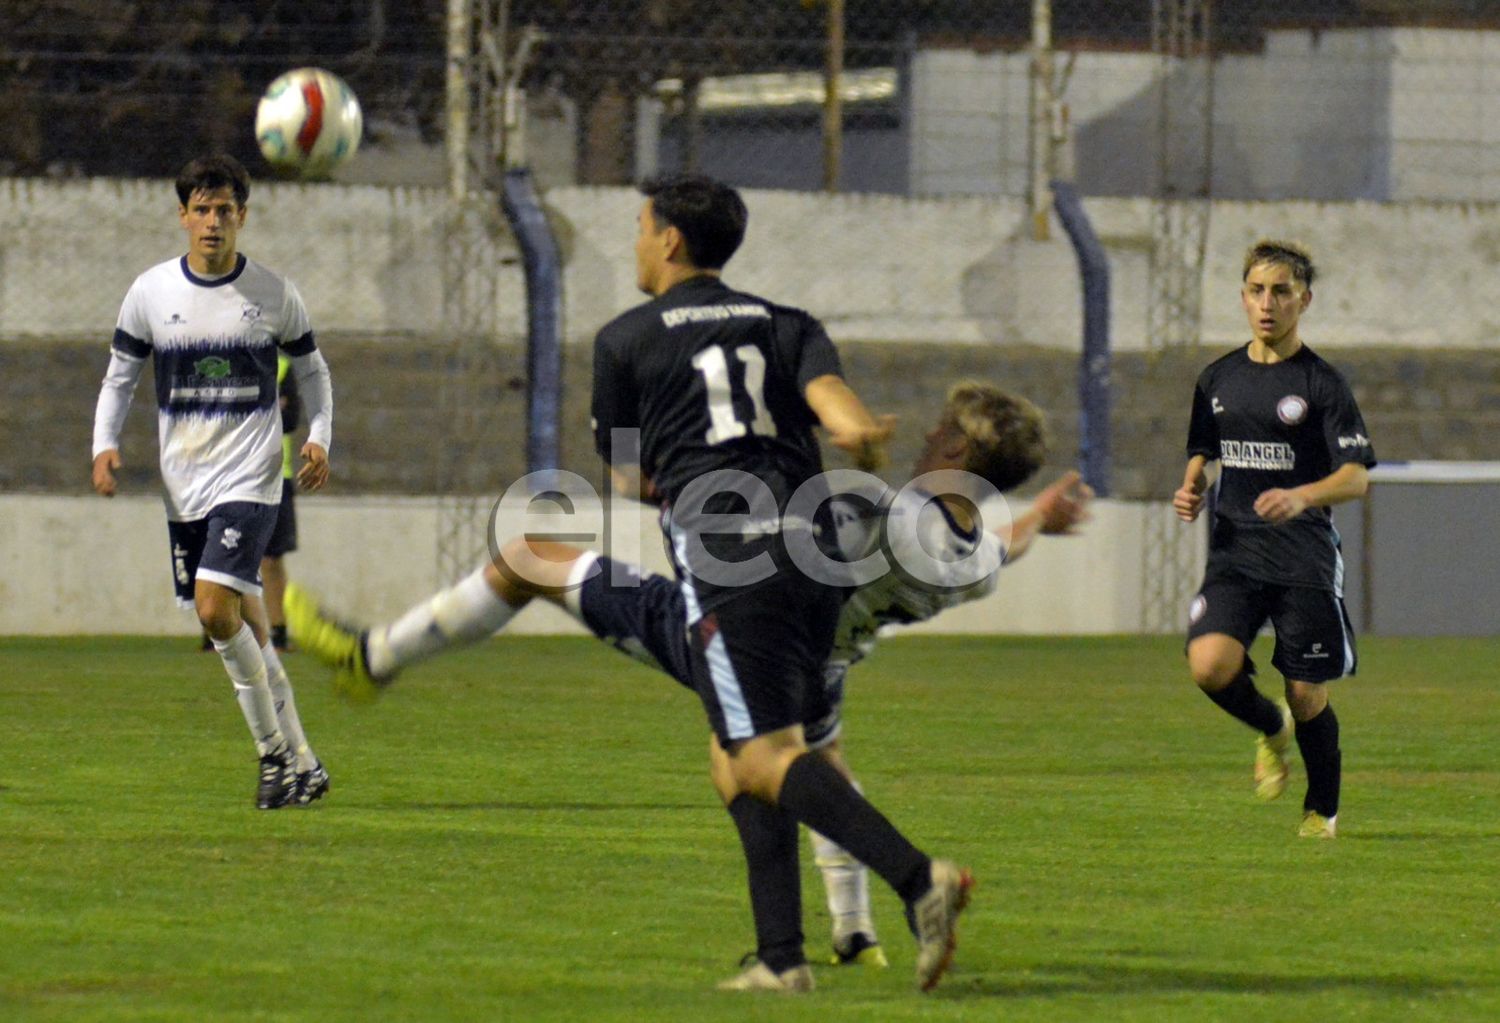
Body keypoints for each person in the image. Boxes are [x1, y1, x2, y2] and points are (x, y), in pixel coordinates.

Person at [294, 173, 972, 993]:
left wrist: (687, 478)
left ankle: (915, 878)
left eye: (643, 226)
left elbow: (625, 474)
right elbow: (838, 408)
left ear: (672, 240)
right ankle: (781, 958)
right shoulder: (787, 323)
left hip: (731, 569)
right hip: (811, 564)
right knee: (729, 749)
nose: (638, 241)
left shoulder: (624, 341)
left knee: (762, 757)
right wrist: (856, 432)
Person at [287, 381, 1090, 973]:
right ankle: (843, 938)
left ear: (957, 450)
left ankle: (372, 657)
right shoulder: (973, 557)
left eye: (941, 429)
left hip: (747, 633)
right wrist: (1039, 518)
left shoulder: (875, 511)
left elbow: (775, 510)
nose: (926, 435)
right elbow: (1000, 540)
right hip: (825, 662)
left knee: (532, 557)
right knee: (801, 763)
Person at [91, 153, 335, 810]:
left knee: (212, 608)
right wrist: (103, 445)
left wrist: (318, 437)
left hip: (252, 478)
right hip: (185, 485)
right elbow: (120, 376)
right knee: (250, 626)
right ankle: (306, 763)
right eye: (201, 208)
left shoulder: (273, 293)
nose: (212, 221)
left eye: (225, 209)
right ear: (183, 216)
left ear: (242, 217)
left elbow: (313, 372)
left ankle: (272, 754)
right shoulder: (150, 293)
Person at [1173, 240, 1376, 840]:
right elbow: (1203, 449)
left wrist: (1302, 496)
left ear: (1303, 300)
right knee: (1209, 666)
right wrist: (1190, 486)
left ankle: (1322, 812)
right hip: (1235, 552)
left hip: (1302, 558)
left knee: (1307, 689)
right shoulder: (1218, 377)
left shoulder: (1322, 383)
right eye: (1258, 291)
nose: (1268, 303)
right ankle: (1271, 727)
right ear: (1243, 297)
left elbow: (1356, 477)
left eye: (1282, 291)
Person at [261, 352, 302, 651]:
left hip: (277, 475)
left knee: (272, 559)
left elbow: (291, 419)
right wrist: (271, 406)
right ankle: (219, 630)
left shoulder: (283, 367)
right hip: (233, 474)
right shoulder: (230, 359)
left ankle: (279, 631)